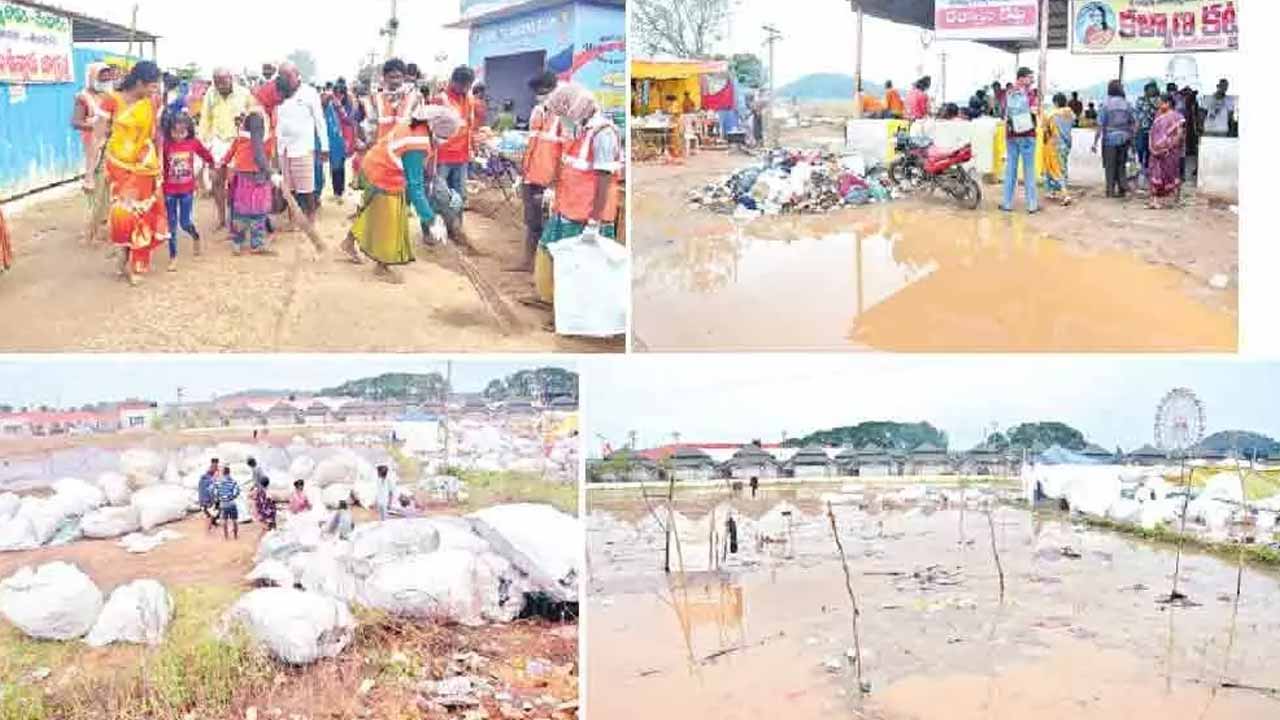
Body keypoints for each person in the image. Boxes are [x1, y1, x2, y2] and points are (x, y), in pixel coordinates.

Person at [340, 104, 459, 282]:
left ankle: (348, 242)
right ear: (436, 130)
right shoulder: (416, 145)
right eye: (445, 137)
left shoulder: (416, 125)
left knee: (371, 212)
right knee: (392, 220)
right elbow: (415, 188)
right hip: (383, 173)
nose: (444, 141)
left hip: (375, 164)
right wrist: (431, 219)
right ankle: (382, 266)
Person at [535, 83, 623, 309]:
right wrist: (553, 190)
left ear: (576, 109)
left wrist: (594, 222)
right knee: (548, 253)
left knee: (579, 269)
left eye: (564, 114)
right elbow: (570, 166)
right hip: (566, 208)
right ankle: (553, 303)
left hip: (586, 216)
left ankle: (573, 313)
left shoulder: (603, 134)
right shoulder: (580, 130)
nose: (562, 120)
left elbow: (604, 179)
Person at [100, 61, 167, 286]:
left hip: (144, 167)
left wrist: (160, 162)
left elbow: (155, 135)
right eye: (152, 85)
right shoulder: (111, 101)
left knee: (141, 216)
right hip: (118, 167)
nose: (154, 90)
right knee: (123, 215)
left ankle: (137, 264)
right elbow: (100, 135)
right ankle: (123, 253)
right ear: (139, 82)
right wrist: (91, 172)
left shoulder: (152, 102)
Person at [517, 71, 566, 273]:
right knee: (531, 221)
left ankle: (544, 269)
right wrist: (524, 172)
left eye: (542, 92)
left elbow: (567, 151)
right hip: (532, 176)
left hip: (550, 180)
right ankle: (528, 262)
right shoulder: (538, 111)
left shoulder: (565, 115)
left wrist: (555, 183)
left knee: (549, 225)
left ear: (553, 89)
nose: (539, 96)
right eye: (537, 92)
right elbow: (532, 143)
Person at [274, 63, 328, 222]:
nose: (285, 79)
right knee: (288, 188)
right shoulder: (277, 95)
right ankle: (293, 219)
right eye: (282, 76)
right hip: (283, 148)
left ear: (297, 75)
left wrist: (324, 147)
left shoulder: (309, 93)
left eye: (288, 75)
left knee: (306, 188)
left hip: (302, 147)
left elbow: (320, 121)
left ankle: (311, 218)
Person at [220, 101, 275, 254]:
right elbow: (267, 156)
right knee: (256, 212)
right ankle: (255, 243)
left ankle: (240, 242)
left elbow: (229, 154)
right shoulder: (264, 139)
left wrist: (222, 163)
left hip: (246, 178)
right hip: (256, 178)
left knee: (243, 211)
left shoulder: (242, 139)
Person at [199, 68, 251, 229]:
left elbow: (252, 117)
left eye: (223, 81)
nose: (220, 86)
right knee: (216, 180)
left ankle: (236, 218)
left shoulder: (244, 94)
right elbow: (205, 119)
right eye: (216, 82)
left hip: (238, 142)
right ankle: (222, 219)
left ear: (231, 79)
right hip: (217, 142)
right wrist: (205, 144)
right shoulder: (210, 94)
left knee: (234, 182)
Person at [161, 113, 214, 271]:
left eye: (182, 132)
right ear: (169, 130)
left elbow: (206, 155)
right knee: (171, 225)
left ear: (188, 130)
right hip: (169, 190)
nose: (178, 136)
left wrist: (213, 165)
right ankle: (173, 257)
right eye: (175, 132)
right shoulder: (166, 145)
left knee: (185, 223)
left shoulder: (193, 143)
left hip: (187, 190)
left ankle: (195, 236)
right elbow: (161, 164)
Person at [434, 65, 478, 238]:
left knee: (459, 195)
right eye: (463, 85)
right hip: (442, 156)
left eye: (469, 86)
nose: (466, 89)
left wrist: (472, 148)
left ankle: (456, 229)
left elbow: (469, 126)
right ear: (454, 81)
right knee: (440, 195)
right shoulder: (440, 99)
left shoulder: (470, 99)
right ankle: (436, 228)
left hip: (462, 156)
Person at [71, 62, 115, 198]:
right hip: (93, 142)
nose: (106, 81)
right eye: (102, 78)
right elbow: (76, 122)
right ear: (91, 77)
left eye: (108, 78)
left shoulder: (111, 96)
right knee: (97, 178)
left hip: (111, 141)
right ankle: (89, 180)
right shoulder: (83, 97)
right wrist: (96, 126)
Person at [1001, 67, 1039, 213]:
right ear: (1021, 78)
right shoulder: (1031, 94)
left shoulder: (1008, 93)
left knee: (1010, 169)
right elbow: (1035, 112)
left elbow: (1004, 115)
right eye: (1030, 77)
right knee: (1029, 170)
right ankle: (1032, 205)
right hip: (1028, 135)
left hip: (1012, 135)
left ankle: (1007, 203)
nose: (1032, 80)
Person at [1093, 79, 1136, 199]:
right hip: (1124, 138)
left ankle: (1110, 190)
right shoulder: (1127, 104)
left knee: (1110, 165)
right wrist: (1132, 138)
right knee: (1121, 164)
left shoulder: (1105, 104)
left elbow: (1100, 125)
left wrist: (1095, 142)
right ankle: (1122, 189)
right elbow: (1134, 122)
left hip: (1109, 139)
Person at [1147, 94, 1187, 210]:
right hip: (1156, 151)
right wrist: (1152, 146)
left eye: (1160, 102)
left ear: (1168, 103)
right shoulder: (1158, 116)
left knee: (1171, 174)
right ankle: (1155, 201)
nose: (1158, 104)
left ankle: (1173, 200)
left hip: (1170, 151)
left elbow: (1179, 134)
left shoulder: (1177, 117)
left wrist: (1169, 145)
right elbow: (1153, 132)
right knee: (1156, 174)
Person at [372, 58, 420, 141]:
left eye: (398, 77)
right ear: (384, 77)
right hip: (382, 146)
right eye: (391, 77)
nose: (395, 81)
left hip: (405, 146)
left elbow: (418, 126)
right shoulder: (376, 98)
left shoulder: (415, 97)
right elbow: (371, 126)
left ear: (404, 77)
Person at [1042, 93, 1075, 206]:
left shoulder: (1051, 115)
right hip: (1066, 144)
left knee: (1055, 169)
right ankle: (1051, 190)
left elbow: (1046, 131)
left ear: (1055, 103)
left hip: (1054, 145)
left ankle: (1065, 194)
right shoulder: (1070, 114)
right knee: (1062, 168)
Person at [322, 84, 353, 202]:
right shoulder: (330, 106)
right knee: (335, 164)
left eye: (341, 94)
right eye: (336, 94)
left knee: (341, 164)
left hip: (345, 138)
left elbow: (349, 120)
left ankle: (340, 190)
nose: (338, 96)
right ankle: (337, 190)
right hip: (334, 139)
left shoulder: (348, 105)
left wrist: (340, 107)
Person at [1133, 82, 1160, 184]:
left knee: (1150, 152)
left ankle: (1148, 170)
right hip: (1142, 130)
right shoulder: (1140, 100)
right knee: (1140, 149)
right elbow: (1137, 116)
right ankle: (1142, 168)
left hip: (1154, 131)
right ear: (1146, 91)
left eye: (1153, 89)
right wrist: (1135, 130)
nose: (1151, 91)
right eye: (1150, 89)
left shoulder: (1158, 101)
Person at [216, 466, 240, 540]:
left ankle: (226, 537)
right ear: (229, 472)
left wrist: (220, 498)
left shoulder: (219, 482)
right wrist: (232, 497)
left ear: (223, 472)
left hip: (223, 504)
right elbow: (237, 491)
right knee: (235, 520)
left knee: (224, 521)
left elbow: (215, 492)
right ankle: (235, 536)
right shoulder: (233, 481)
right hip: (232, 503)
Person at [198, 458, 221, 530]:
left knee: (215, 509)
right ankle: (210, 525)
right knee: (212, 510)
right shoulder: (208, 475)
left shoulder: (213, 472)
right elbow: (209, 488)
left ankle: (212, 523)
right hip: (207, 498)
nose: (216, 466)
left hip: (208, 496)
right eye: (215, 463)